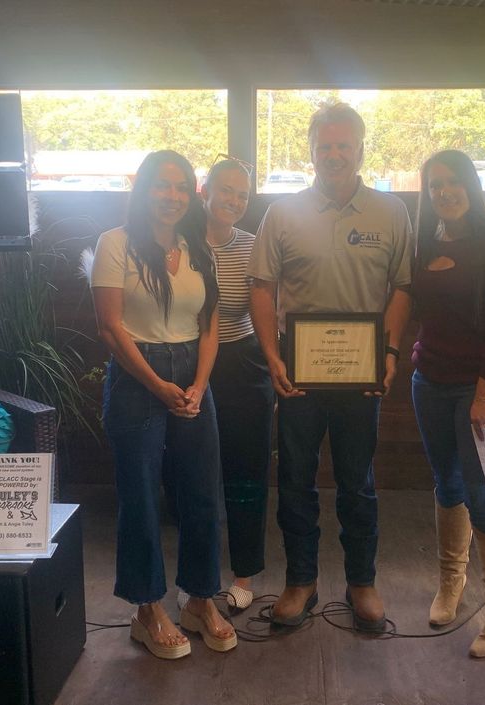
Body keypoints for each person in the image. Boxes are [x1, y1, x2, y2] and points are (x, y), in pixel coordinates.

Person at [248, 102, 414, 632]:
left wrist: (388, 355)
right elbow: (262, 289)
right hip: (298, 375)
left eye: (345, 145)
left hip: (361, 377)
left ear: (361, 148)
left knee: (357, 483)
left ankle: (361, 582)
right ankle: (301, 581)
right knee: (295, 479)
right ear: (312, 150)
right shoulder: (283, 213)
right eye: (326, 145)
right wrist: (273, 356)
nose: (335, 154)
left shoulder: (391, 213)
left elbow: (402, 288)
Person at [90, 150, 237, 659]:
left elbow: (210, 324)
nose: (172, 196)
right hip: (137, 378)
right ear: (144, 188)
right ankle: (147, 609)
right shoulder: (116, 243)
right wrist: (157, 384)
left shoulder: (199, 247)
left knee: (201, 493)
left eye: (181, 187)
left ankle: (199, 599)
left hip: (193, 376)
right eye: (162, 185)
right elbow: (110, 327)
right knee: (141, 498)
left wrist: (198, 384)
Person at [410, 149, 485, 658]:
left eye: (453, 182)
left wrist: (484, 394)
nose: (444, 192)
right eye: (434, 184)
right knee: (447, 484)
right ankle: (450, 583)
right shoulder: (423, 240)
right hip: (429, 382)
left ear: (471, 185)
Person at [201, 157, 275, 610]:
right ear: (204, 190)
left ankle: (243, 576)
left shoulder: (253, 246)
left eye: (242, 195)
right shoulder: (182, 243)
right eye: (225, 190)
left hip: (244, 365)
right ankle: (200, 576)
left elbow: (270, 314)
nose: (232, 200)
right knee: (198, 475)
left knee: (248, 473)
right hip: (189, 364)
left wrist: (277, 367)